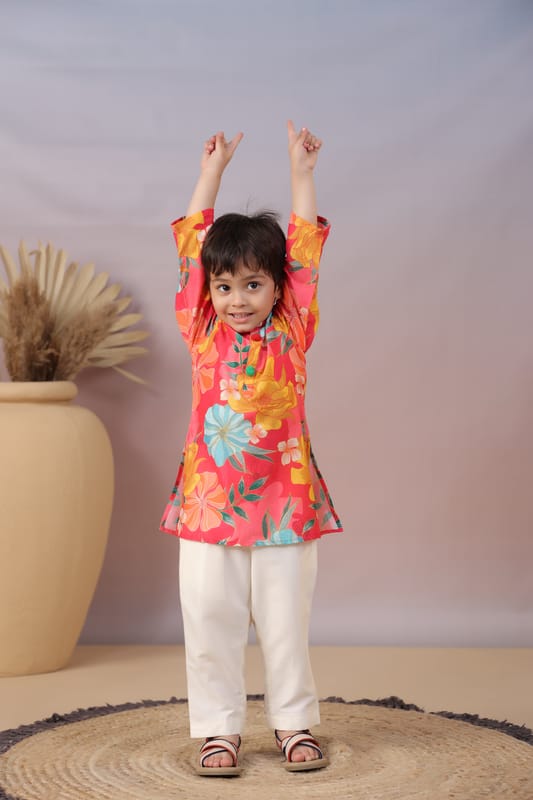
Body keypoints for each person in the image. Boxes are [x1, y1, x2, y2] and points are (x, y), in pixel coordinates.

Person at [160, 120, 343, 776]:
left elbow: (304, 250)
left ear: (277, 288)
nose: (238, 300)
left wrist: (301, 173)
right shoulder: (201, 329)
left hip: (285, 499)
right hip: (208, 501)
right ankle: (218, 731)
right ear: (208, 293)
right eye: (224, 287)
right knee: (209, 616)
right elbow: (192, 247)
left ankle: (293, 723)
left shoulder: (293, 325)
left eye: (253, 285)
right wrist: (210, 172)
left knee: (285, 620)